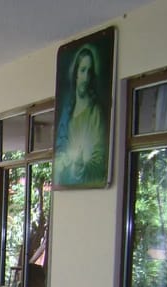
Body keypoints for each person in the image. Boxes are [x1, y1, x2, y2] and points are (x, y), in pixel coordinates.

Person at [54, 45, 107, 187]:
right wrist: (61, 162)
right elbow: (59, 152)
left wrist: (80, 167)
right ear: (76, 73)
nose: (86, 77)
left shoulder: (95, 113)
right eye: (82, 70)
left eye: (89, 72)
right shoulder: (67, 112)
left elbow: (99, 162)